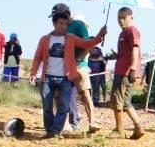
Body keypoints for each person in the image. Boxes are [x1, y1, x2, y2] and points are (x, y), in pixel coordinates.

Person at [29, 8, 107, 138]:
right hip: (47, 78)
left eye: (66, 24)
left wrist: (100, 36)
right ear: (54, 23)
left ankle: (56, 130)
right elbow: (37, 57)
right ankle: (49, 131)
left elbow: (87, 43)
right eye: (61, 23)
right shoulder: (45, 39)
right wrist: (33, 72)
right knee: (47, 107)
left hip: (65, 78)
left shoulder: (70, 38)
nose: (64, 26)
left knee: (64, 107)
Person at [111, 7, 145, 139]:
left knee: (116, 100)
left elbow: (135, 49)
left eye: (124, 18)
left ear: (131, 17)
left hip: (124, 72)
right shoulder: (123, 33)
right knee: (125, 102)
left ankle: (119, 129)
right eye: (119, 18)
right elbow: (126, 52)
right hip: (123, 69)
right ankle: (138, 127)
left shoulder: (131, 31)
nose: (121, 20)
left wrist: (132, 68)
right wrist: (116, 55)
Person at [64, 10, 99, 132]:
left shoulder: (78, 26)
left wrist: (78, 59)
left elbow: (88, 45)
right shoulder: (66, 29)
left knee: (84, 94)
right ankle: (70, 123)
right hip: (68, 66)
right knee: (67, 95)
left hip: (79, 65)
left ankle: (92, 122)